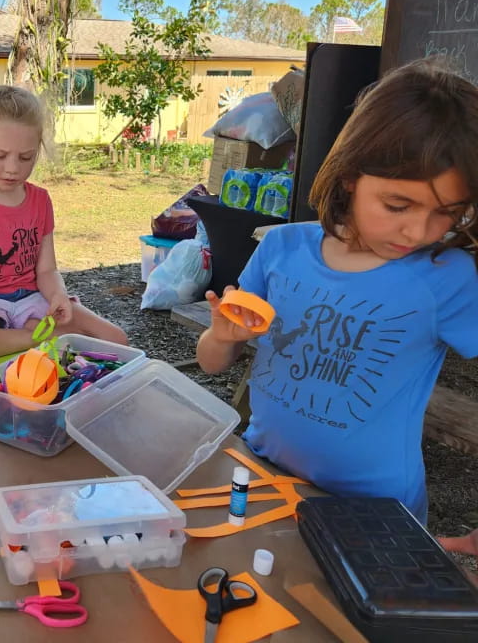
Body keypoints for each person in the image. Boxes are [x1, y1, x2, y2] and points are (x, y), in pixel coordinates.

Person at [196, 58, 478, 524]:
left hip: (375, 512)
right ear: (350, 175)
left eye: (448, 212)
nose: (419, 230)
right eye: (397, 205)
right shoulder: (282, 249)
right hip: (264, 479)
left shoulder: (446, 277)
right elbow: (210, 362)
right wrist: (222, 338)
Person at [0, 81, 127, 384]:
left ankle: (24, 337)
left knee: (116, 338)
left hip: (31, 299)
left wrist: (58, 296)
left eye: (25, 157)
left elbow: (47, 269)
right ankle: (38, 339)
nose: (12, 168)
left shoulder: (40, 200)